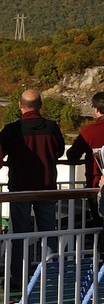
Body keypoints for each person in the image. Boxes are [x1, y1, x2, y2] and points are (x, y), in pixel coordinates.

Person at [0, 90, 66, 281]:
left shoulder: (12, 130)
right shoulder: (52, 128)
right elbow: (59, 152)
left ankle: (19, 276)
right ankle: (51, 275)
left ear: (20, 105)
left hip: (20, 190)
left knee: (19, 233)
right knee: (48, 231)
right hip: (47, 188)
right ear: (40, 105)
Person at [64, 90, 104, 227]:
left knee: (99, 224)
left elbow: (72, 155)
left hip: (96, 185)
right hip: (97, 184)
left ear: (96, 109)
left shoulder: (90, 131)